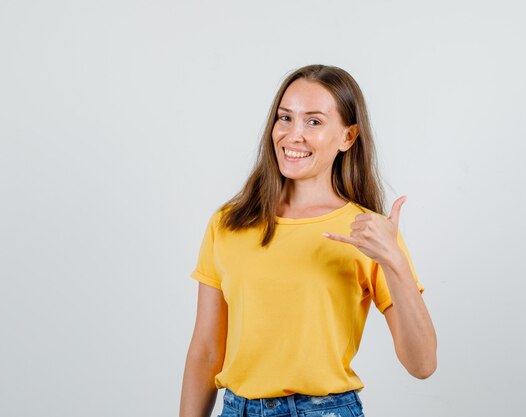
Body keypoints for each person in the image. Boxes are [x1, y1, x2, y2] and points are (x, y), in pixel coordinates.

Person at [179, 64, 437, 417]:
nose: (293, 134)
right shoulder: (229, 223)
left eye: (313, 121)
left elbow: (422, 364)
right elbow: (207, 350)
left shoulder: (368, 230)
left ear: (348, 137)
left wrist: (393, 260)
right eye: (285, 118)